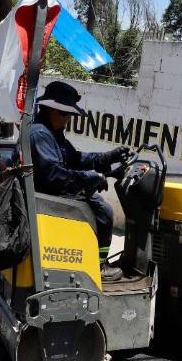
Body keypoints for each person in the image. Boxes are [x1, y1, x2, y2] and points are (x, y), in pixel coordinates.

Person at [29, 81, 128, 281]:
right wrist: (90, 178)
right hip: (48, 197)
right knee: (104, 212)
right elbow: (53, 175)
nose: (68, 120)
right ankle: (98, 266)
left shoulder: (52, 133)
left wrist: (108, 157)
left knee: (99, 204)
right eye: (65, 114)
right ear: (53, 111)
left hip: (52, 192)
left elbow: (76, 159)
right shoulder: (40, 134)